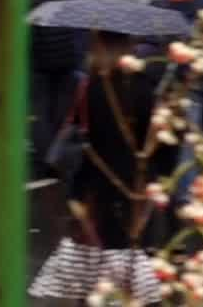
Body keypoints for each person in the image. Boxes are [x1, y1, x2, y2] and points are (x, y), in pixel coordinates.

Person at [29, 31, 177, 305]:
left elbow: (76, 129)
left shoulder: (89, 87)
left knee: (91, 257)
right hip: (134, 185)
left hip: (94, 186)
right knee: (131, 256)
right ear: (128, 46)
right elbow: (164, 145)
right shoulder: (145, 89)